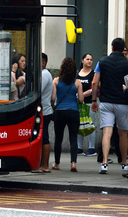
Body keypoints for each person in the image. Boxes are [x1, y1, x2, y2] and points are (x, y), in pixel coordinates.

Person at [92, 37, 128, 174]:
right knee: (123, 133)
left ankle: (105, 162)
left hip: (106, 101)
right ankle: (124, 162)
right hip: (122, 102)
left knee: (107, 132)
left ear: (112, 48)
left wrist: (94, 100)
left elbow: (95, 82)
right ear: (122, 48)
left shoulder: (102, 61)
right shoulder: (126, 63)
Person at [51, 57, 84, 172]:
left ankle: (57, 163)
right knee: (73, 138)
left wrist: (52, 106)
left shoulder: (56, 81)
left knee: (58, 138)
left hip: (60, 112)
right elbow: (81, 99)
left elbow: (53, 98)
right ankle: (73, 163)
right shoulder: (77, 82)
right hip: (73, 112)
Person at [32, 53, 53, 173]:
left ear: (43, 63)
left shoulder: (44, 75)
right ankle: (41, 164)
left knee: (44, 138)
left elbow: (37, 91)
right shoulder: (43, 74)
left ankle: (45, 165)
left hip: (44, 112)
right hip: (44, 111)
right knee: (42, 137)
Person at [76, 53, 97, 156]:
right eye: (87, 59)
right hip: (78, 103)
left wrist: (82, 95)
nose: (89, 61)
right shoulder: (77, 73)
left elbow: (94, 88)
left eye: (91, 59)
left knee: (90, 124)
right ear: (82, 61)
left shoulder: (93, 74)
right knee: (79, 125)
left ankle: (92, 148)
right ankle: (79, 148)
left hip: (89, 102)